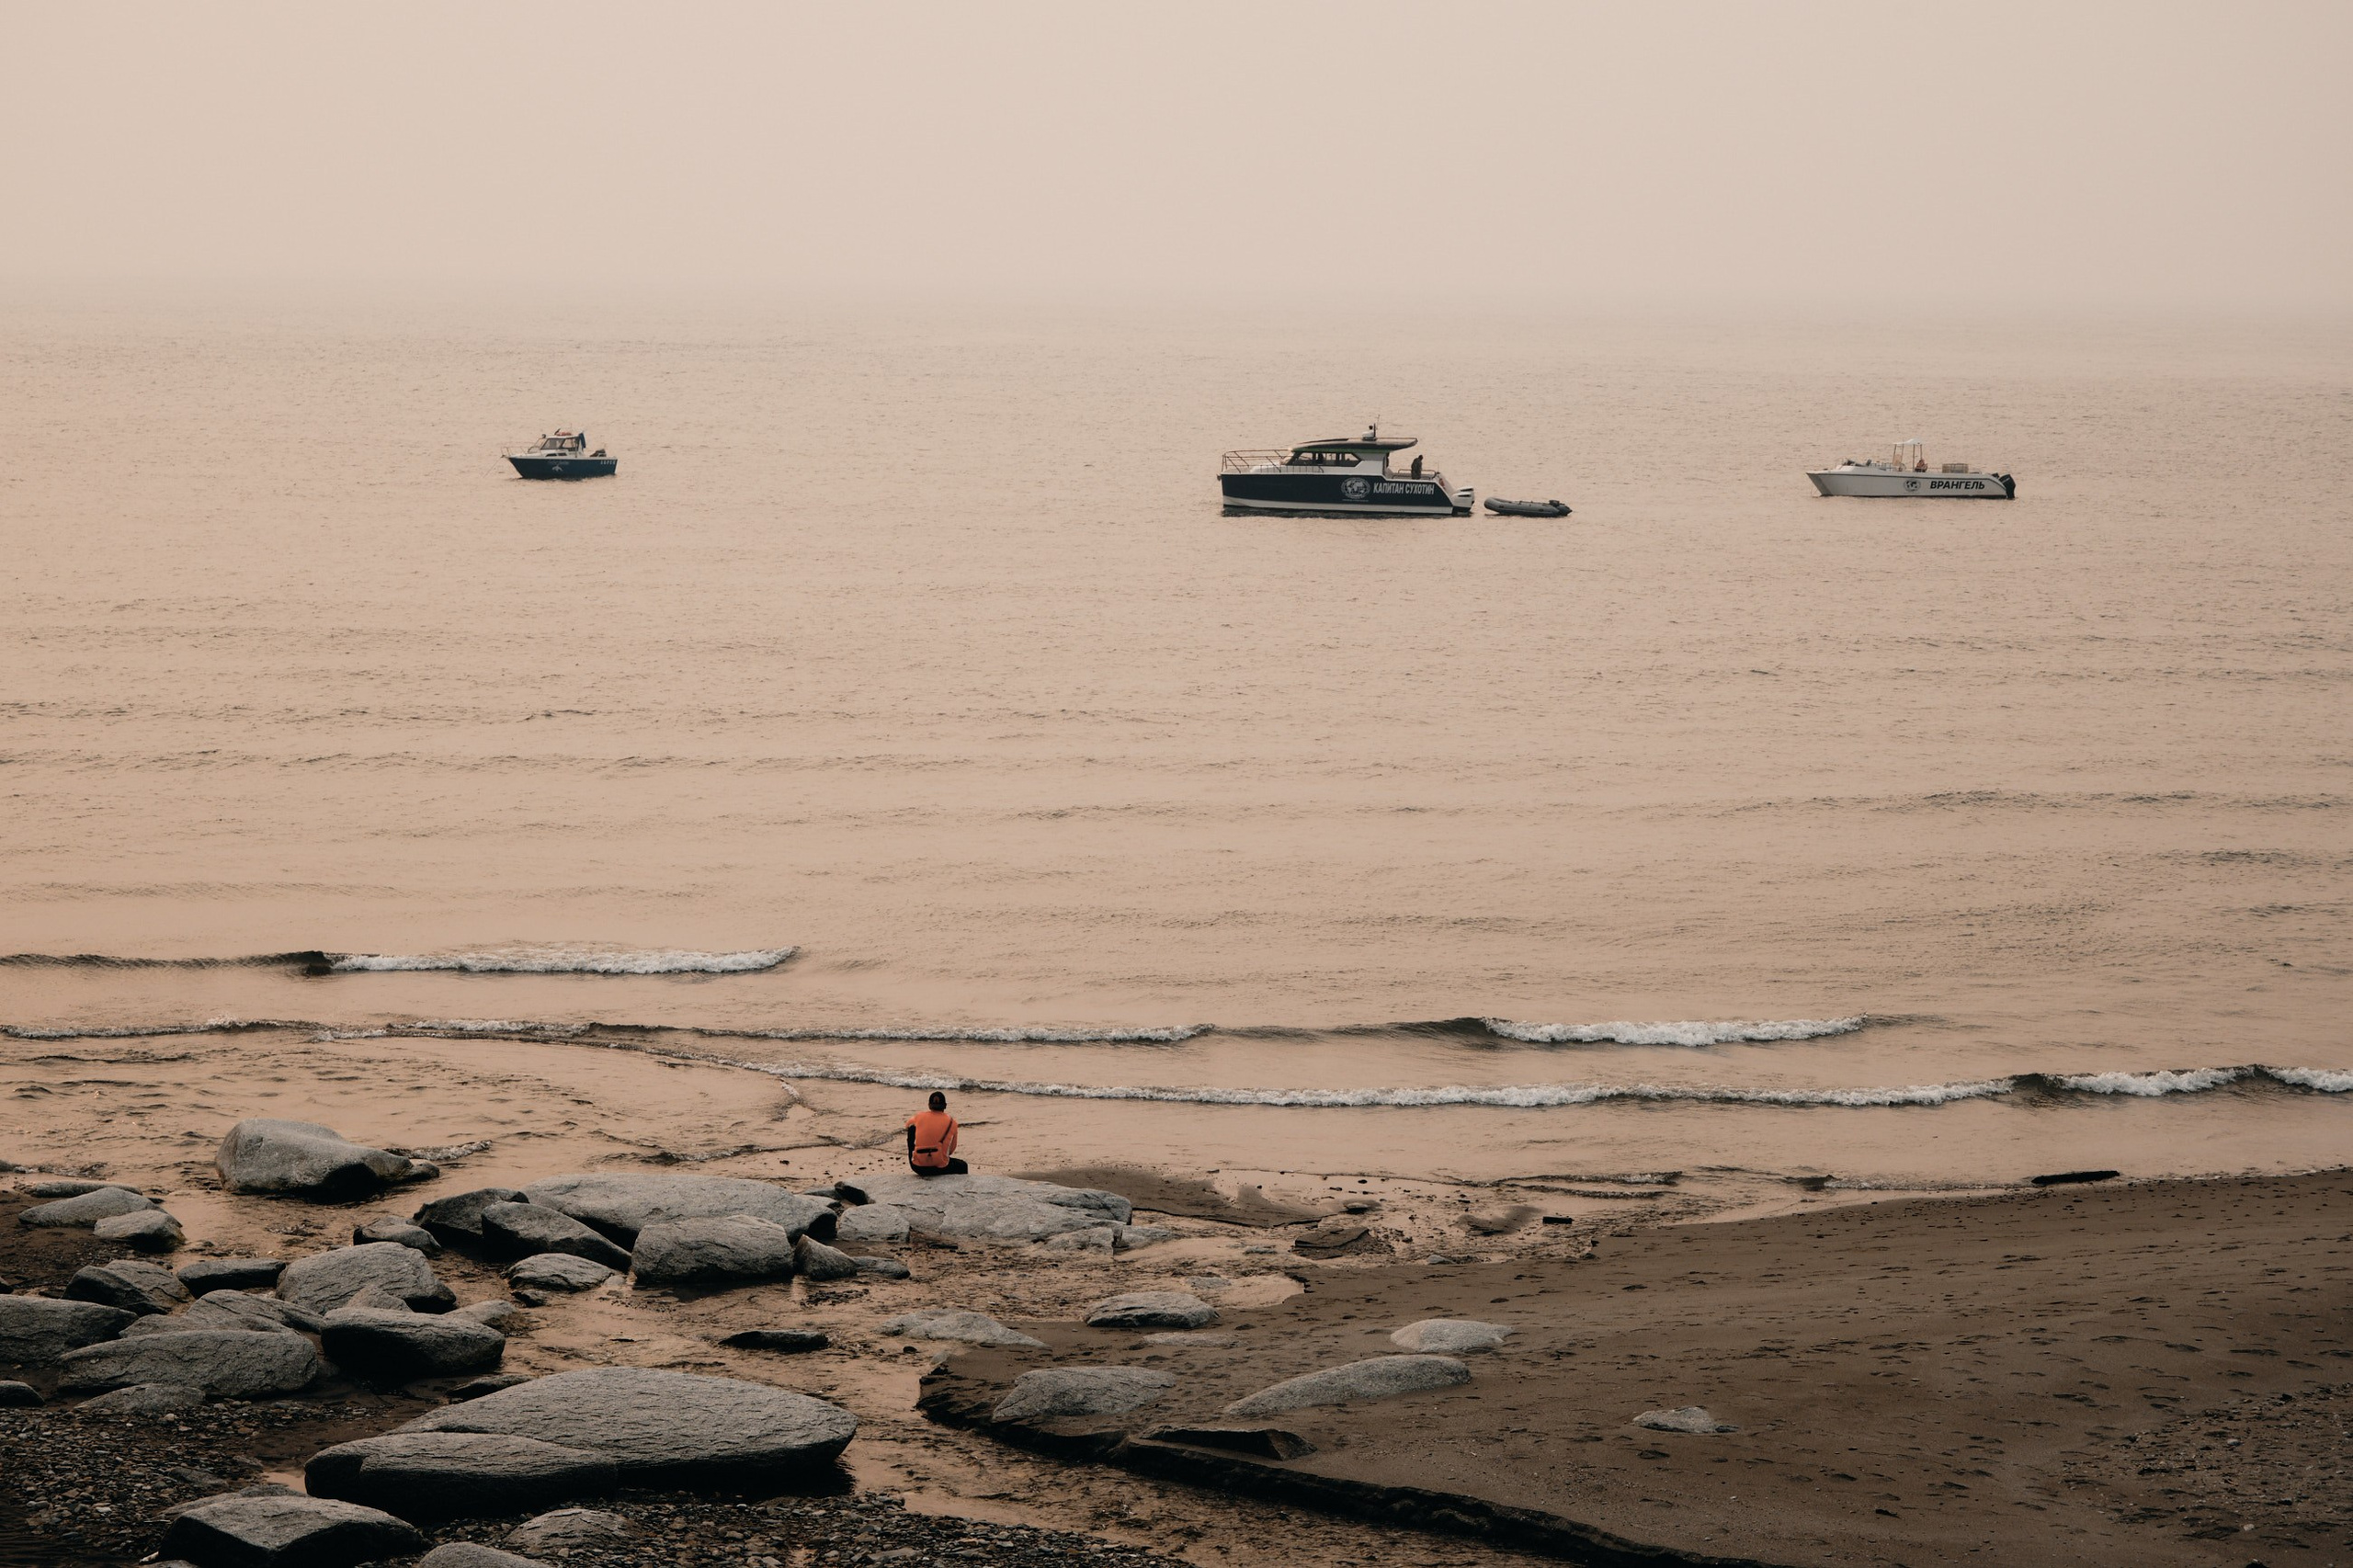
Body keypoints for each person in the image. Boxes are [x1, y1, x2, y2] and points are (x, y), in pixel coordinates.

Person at [905, 1090, 966, 1176]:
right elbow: (951, 1150)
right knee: (963, 1165)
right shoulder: (952, 1122)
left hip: (918, 1167)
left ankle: (915, 1158)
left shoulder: (918, 1117)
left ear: (929, 1105)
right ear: (945, 1106)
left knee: (912, 1128)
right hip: (940, 1167)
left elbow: (907, 1126)